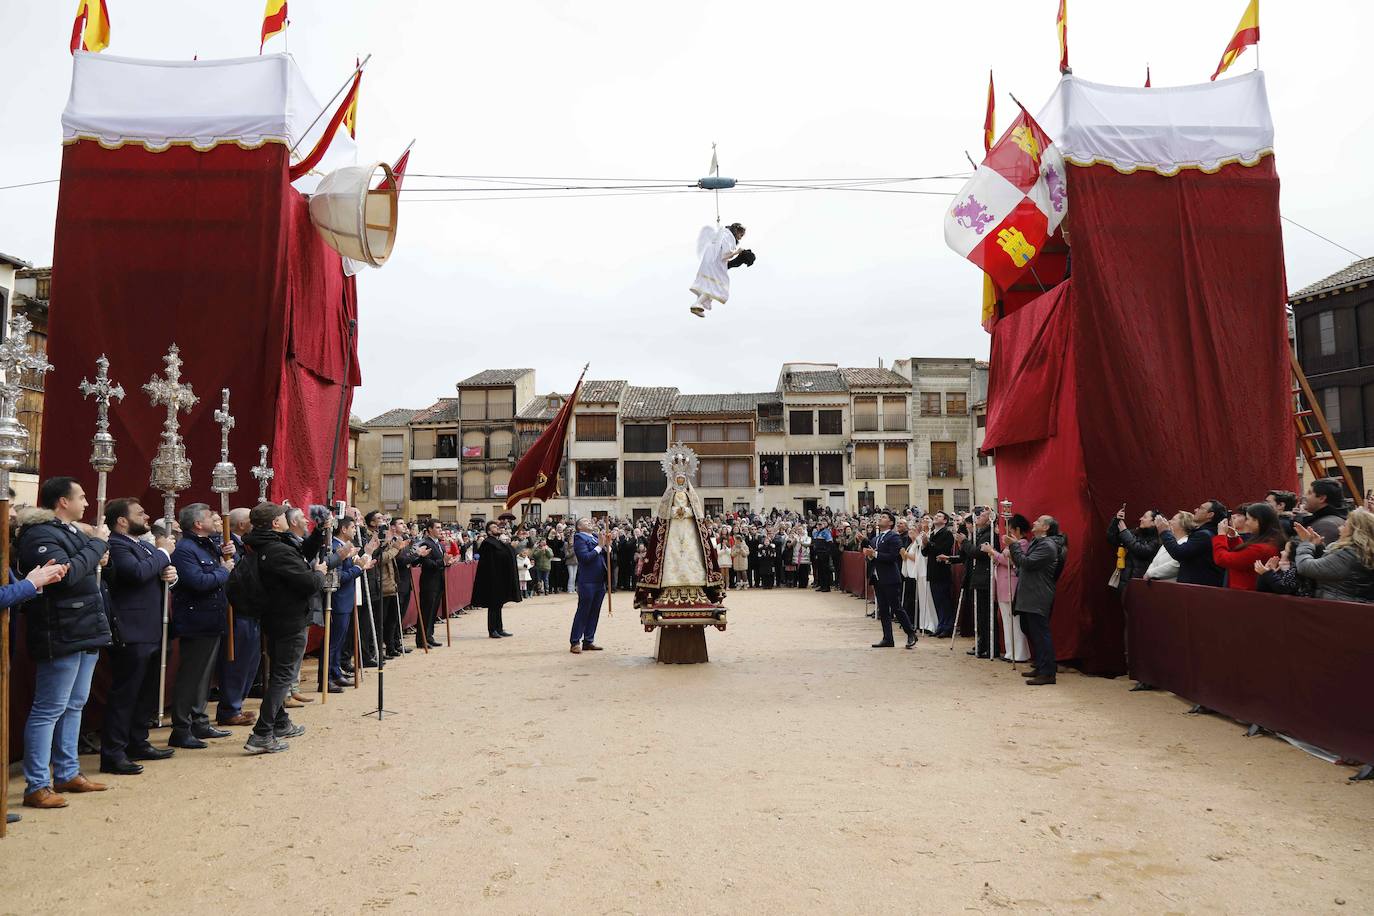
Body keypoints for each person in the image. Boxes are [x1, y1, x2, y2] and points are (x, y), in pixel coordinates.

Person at [17, 477, 111, 809]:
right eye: (81, 496)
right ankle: (37, 784)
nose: (87, 502)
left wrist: (94, 551)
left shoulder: (69, 532)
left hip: (83, 627)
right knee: (49, 709)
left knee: (75, 704)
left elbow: (84, 565)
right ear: (62, 502)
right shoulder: (40, 535)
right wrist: (97, 545)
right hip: (60, 629)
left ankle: (68, 771)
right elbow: (66, 577)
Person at [100, 497, 178, 776]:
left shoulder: (144, 545)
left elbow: (155, 573)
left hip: (153, 627)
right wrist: (163, 555)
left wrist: (170, 573)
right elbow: (135, 574)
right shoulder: (117, 545)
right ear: (122, 520)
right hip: (131, 629)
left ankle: (138, 740)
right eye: (140, 512)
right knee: (126, 693)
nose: (146, 516)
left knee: (146, 691)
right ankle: (113, 752)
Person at [243, 502, 326, 754]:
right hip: (288, 618)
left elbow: (302, 553)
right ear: (275, 523)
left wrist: (320, 531)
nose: (287, 519)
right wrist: (320, 573)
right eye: (283, 516)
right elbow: (307, 582)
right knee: (283, 676)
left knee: (278, 674)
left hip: (276, 616)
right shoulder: (277, 549)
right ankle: (262, 734)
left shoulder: (269, 545)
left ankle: (280, 722)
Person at [168, 503, 235, 748]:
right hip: (196, 621)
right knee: (191, 676)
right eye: (210, 516)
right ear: (197, 523)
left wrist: (228, 554)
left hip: (210, 618)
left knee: (204, 676)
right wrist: (223, 570)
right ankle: (181, 727)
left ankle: (200, 721)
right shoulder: (185, 549)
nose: (215, 518)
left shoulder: (206, 546)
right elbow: (198, 581)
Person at [1007, 515, 1065, 686]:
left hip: (1038, 594)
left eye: (1039, 522)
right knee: (1029, 629)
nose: (1034, 523)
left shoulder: (1047, 545)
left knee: (1040, 633)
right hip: (1030, 593)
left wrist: (1014, 546)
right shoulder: (1038, 542)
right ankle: (1041, 665)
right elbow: (1025, 566)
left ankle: (1048, 673)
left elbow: (1027, 563)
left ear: (1046, 527)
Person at [216, 506, 260, 727]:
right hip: (236, 609)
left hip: (251, 609)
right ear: (242, 524)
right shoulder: (224, 544)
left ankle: (237, 704)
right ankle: (229, 708)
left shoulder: (245, 543)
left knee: (250, 662)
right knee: (236, 662)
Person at [1294, 507, 1374, 602]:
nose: (1339, 528)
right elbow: (1330, 566)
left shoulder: (1348, 555)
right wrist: (1318, 547)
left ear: (1355, 532)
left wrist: (1307, 543)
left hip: (1339, 610)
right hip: (1353, 608)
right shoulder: (1362, 551)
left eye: (1344, 525)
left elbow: (1305, 567)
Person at [327, 516, 368, 690]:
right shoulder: (335, 548)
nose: (354, 530)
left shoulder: (345, 547)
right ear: (343, 529)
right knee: (333, 641)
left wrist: (358, 564)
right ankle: (327, 676)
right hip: (338, 600)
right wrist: (358, 568)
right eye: (352, 527)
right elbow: (338, 577)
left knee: (340, 640)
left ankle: (336, 672)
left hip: (346, 600)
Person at [864, 512, 917, 649]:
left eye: (884, 517)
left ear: (891, 523)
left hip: (890, 577)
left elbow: (893, 556)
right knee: (883, 610)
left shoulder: (894, 537)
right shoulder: (876, 538)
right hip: (878, 577)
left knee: (896, 608)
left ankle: (910, 633)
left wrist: (874, 554)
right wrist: (870, 555)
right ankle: (888, 638)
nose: (880, 518)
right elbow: (873, 556)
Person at [984, 515, 1030, 663]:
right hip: (1003, 585)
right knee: (1006, 621)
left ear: (1017, 530)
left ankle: (1020, 653)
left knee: (1015, 622)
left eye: (1011, 530)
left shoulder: (1022, 543)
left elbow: (1010, 561)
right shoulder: (1011, 544)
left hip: (1012, 584)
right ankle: (1010, 652)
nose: (1008, 533)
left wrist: (993, 552)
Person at [1211, 502, 1284, 591]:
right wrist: (1234, 537)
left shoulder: (1262, 548)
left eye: (1248, 519)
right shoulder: (1270, 540)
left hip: (1246, 594)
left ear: (1258, 521)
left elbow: (1222, 559)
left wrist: (1221, 536)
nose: (1246, 523)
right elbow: (1245, 556)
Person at [1156, 500, 1226, 587]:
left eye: (1200, 508)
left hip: (1198, 589)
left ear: (1210, 515)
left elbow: (1178, 553)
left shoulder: (1204, 535)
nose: (1195, 510)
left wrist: (1165, 532)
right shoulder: (1209, 533)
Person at [689, 222, 752, 317]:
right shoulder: (728, 236)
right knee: (716, 285)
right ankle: (697, 303)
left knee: (712, 286)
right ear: (736, 231)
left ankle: (698, 303)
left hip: (710, 261)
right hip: (714, 263)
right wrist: (736, 252)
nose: (741, 237)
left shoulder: (723, 234)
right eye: (741, 234)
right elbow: (725, 255)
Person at [472, 520, 521, 638]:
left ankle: (499, 628)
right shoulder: (488, 543)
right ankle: (492, 629)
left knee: (499, 605)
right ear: (489, 531)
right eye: (494, 527)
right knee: (493, 605)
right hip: (492, 579)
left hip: (499, 578)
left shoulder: (497, 542)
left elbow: (505, 555)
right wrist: (510, 547)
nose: (497, 528)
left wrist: (510, 546)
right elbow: (499, 557)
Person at [959, 509, 994, 658]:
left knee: (985, 615)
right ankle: (982, 644)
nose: (978, 516)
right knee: (980, 615)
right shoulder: (979, 533)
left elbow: (976, 553)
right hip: (977, 577)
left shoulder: (989, 534)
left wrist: (964, 542)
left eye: (983, 514)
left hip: (984, 577)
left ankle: (989, 646)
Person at [570, 518, 608, 653]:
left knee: (594, 611)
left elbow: (605, 555)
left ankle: (588, 640)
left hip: (599, 580)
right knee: (583, 611)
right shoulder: (579, 538)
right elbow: (585, 558)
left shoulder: (595, 537)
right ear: (579, 527)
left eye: (589, 520)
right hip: (587, 580)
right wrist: (599, 546)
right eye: (585, 521)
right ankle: (575, 641)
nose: (589, 522)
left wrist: (607, 546)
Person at [923, 512, 957, 637]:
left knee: (944, 600)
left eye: (939, 516)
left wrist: (929, 543)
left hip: (942, 571)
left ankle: (947, 626)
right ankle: (941, 624)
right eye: (935, 516)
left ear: (945, 521)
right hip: (932, 570)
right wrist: (925, 544)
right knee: (937, 600)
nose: (936, 517)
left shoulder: (947, 533)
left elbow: (943, 550)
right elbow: (925, 553)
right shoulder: (932, 534)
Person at [414, 520, 445, 648]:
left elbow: (440, 562)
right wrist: (442, 562)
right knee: (426, 610)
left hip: (439, 581)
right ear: (430, 529)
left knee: (433, 611)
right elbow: (427, 563)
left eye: (440, 527)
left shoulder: (439, 545)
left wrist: (448, 562)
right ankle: (421, 639)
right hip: (429, 582)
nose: (440, 530)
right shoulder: (426, 543)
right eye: (437, 527)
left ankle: (429, 635)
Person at [1144, 512, 1196, 581]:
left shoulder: (1186, 542)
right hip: (1155, 584)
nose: (1169, 521)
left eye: (1173, 519)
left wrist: (1151, 573)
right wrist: (1149, 572)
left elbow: (1176, 565)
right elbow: (1155, 561)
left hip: (1171, 586)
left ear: (1183, 524)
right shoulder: (1168, 542)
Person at [1300, 478, 1348, 544]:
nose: (1304, 496)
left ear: (1322, 498)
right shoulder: (1336, 520)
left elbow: (1322, 553)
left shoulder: (1325, 526)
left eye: (1309, 493)